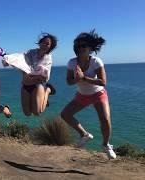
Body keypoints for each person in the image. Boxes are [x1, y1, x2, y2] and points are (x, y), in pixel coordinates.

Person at [61, 30, 116, 159]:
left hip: (98, 94)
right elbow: (69, 82)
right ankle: (84, 134)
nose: (80, 48)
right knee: (65, 114)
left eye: (84, 46)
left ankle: (106, 145)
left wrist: (84, 78)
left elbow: (103, 82)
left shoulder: (96, 62)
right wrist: (77, 79)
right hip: (82, 95)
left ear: (90, 48)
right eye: (78, 46)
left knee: (105, 120)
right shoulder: (72, 63)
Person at [3, 33, 57, 116]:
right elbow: (20, 57)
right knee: (27, 113)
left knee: (37, 112)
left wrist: (30, 74)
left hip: (37, 85)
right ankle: (41, 98)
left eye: (48, 44)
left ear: (50, 47)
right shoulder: (31, 52)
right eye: (44, 42)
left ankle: (47, 91)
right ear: (40, 43)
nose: (45, 45)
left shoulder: (48, 58)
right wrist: (8, 60)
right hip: (26, 84)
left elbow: (44, 76)